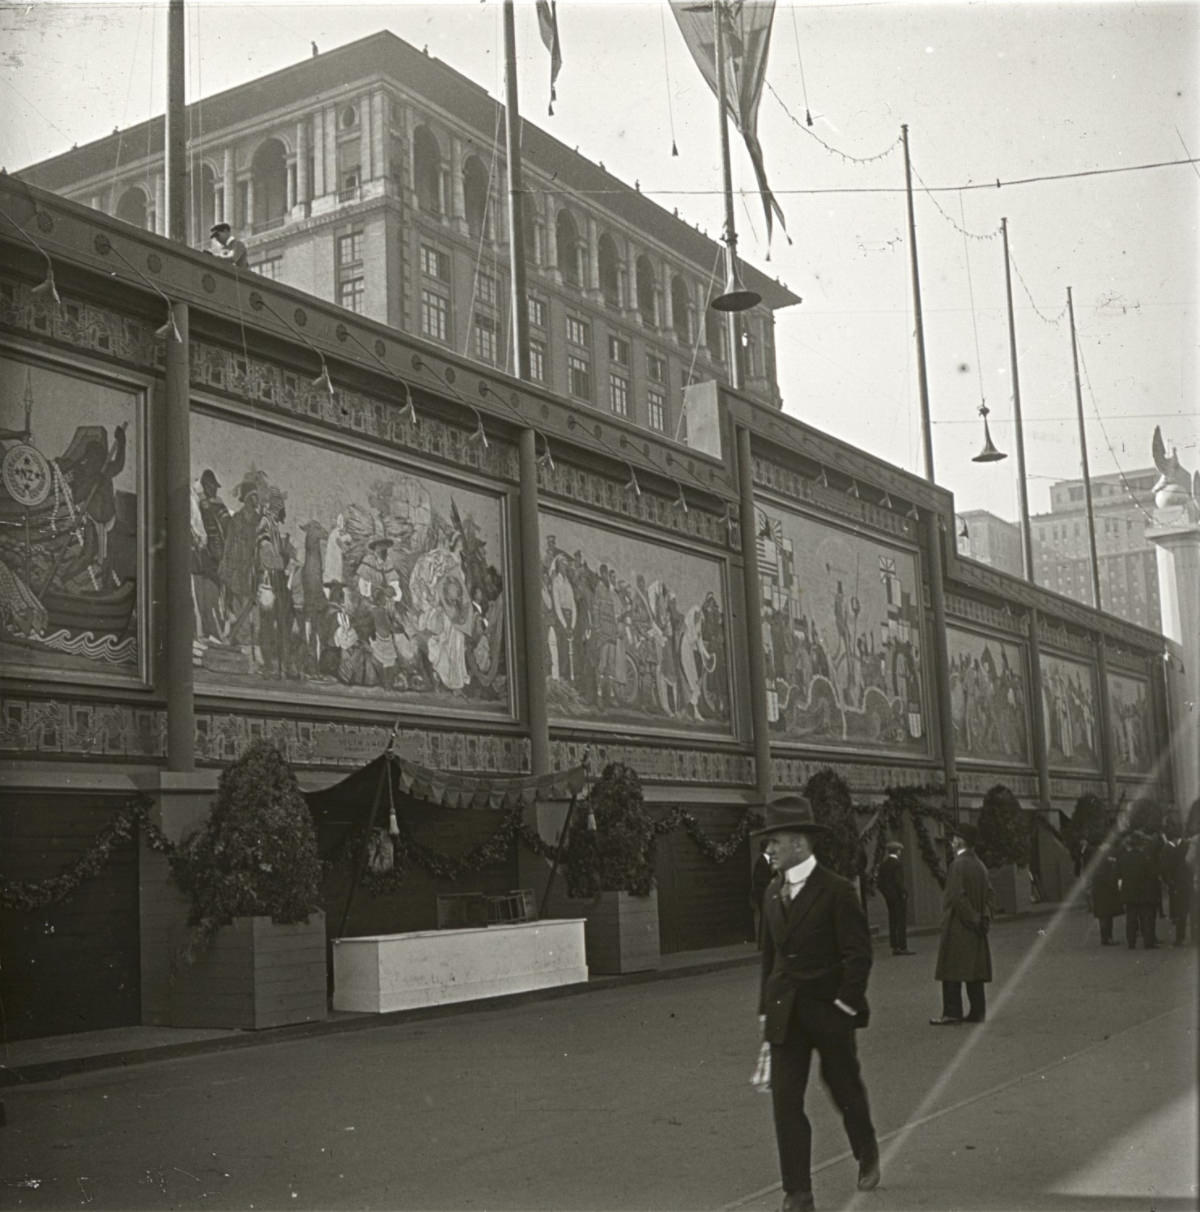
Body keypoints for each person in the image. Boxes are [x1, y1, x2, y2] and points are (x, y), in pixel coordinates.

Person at [756, 794, 879, 1211]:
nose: (767, 850)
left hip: (829, 1014)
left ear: (800, 844)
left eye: (774, 841)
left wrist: (845, 1005)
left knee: (843, 1088)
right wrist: (763, 1012)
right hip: (785, 1016)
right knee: (785, 1103)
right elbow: (770, 959)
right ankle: (798, 1193)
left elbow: (858, 954)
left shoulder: (837, 891)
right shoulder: (772, 893)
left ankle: (866, 1151)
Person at [930, 823, 994, 1026]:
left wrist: (972, 918)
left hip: (958, 925)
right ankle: (977, 1012)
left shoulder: (957, 865)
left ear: (961, 841)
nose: (951, 841)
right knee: (975, 970)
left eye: (954, 838)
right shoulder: (980, 865)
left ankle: (952, 1012)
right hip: (976, 927)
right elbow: (989, 895)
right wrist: (983, 919)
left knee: (951, 969)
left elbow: (957, 897)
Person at [1117, 829, 1160, 949]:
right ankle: (1148, 942)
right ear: (1141, 844)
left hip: (1129, 892)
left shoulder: (1123, 857)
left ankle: (1131, 942)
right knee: (1146, 918)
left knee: (1130, 918)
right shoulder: (1146, 857)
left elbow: (1119, 874)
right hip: (1144, 892)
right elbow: (1153, 874)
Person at [1083, 835, 1122, 946]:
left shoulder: (1095, 853)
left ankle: (1106, 937)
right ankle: (1107, 938)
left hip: (1099, 888)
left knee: (1103, 914)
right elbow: (1106, 872)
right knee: (1106, 914)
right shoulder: (1104, 855)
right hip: (1105, 888)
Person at [877, 841, 914, 956]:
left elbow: (880, 883)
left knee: (892, 921)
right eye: (900, 851)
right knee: (900, 921)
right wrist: (903, 893)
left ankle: (895, 946)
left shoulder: (883, 865)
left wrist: (887, 894)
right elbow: (898, 881)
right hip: (898, 897)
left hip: (889, 897)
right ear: (897, 851)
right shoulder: (897, 864)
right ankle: (902, 946)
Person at [750, 839, 773, 948]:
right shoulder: (761, 862)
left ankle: (765, 943)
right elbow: (759, 880)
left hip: (765, 894)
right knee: (764, 918)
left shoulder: (767, 861)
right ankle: (763, 944)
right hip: (763, 895)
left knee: (767, 918)